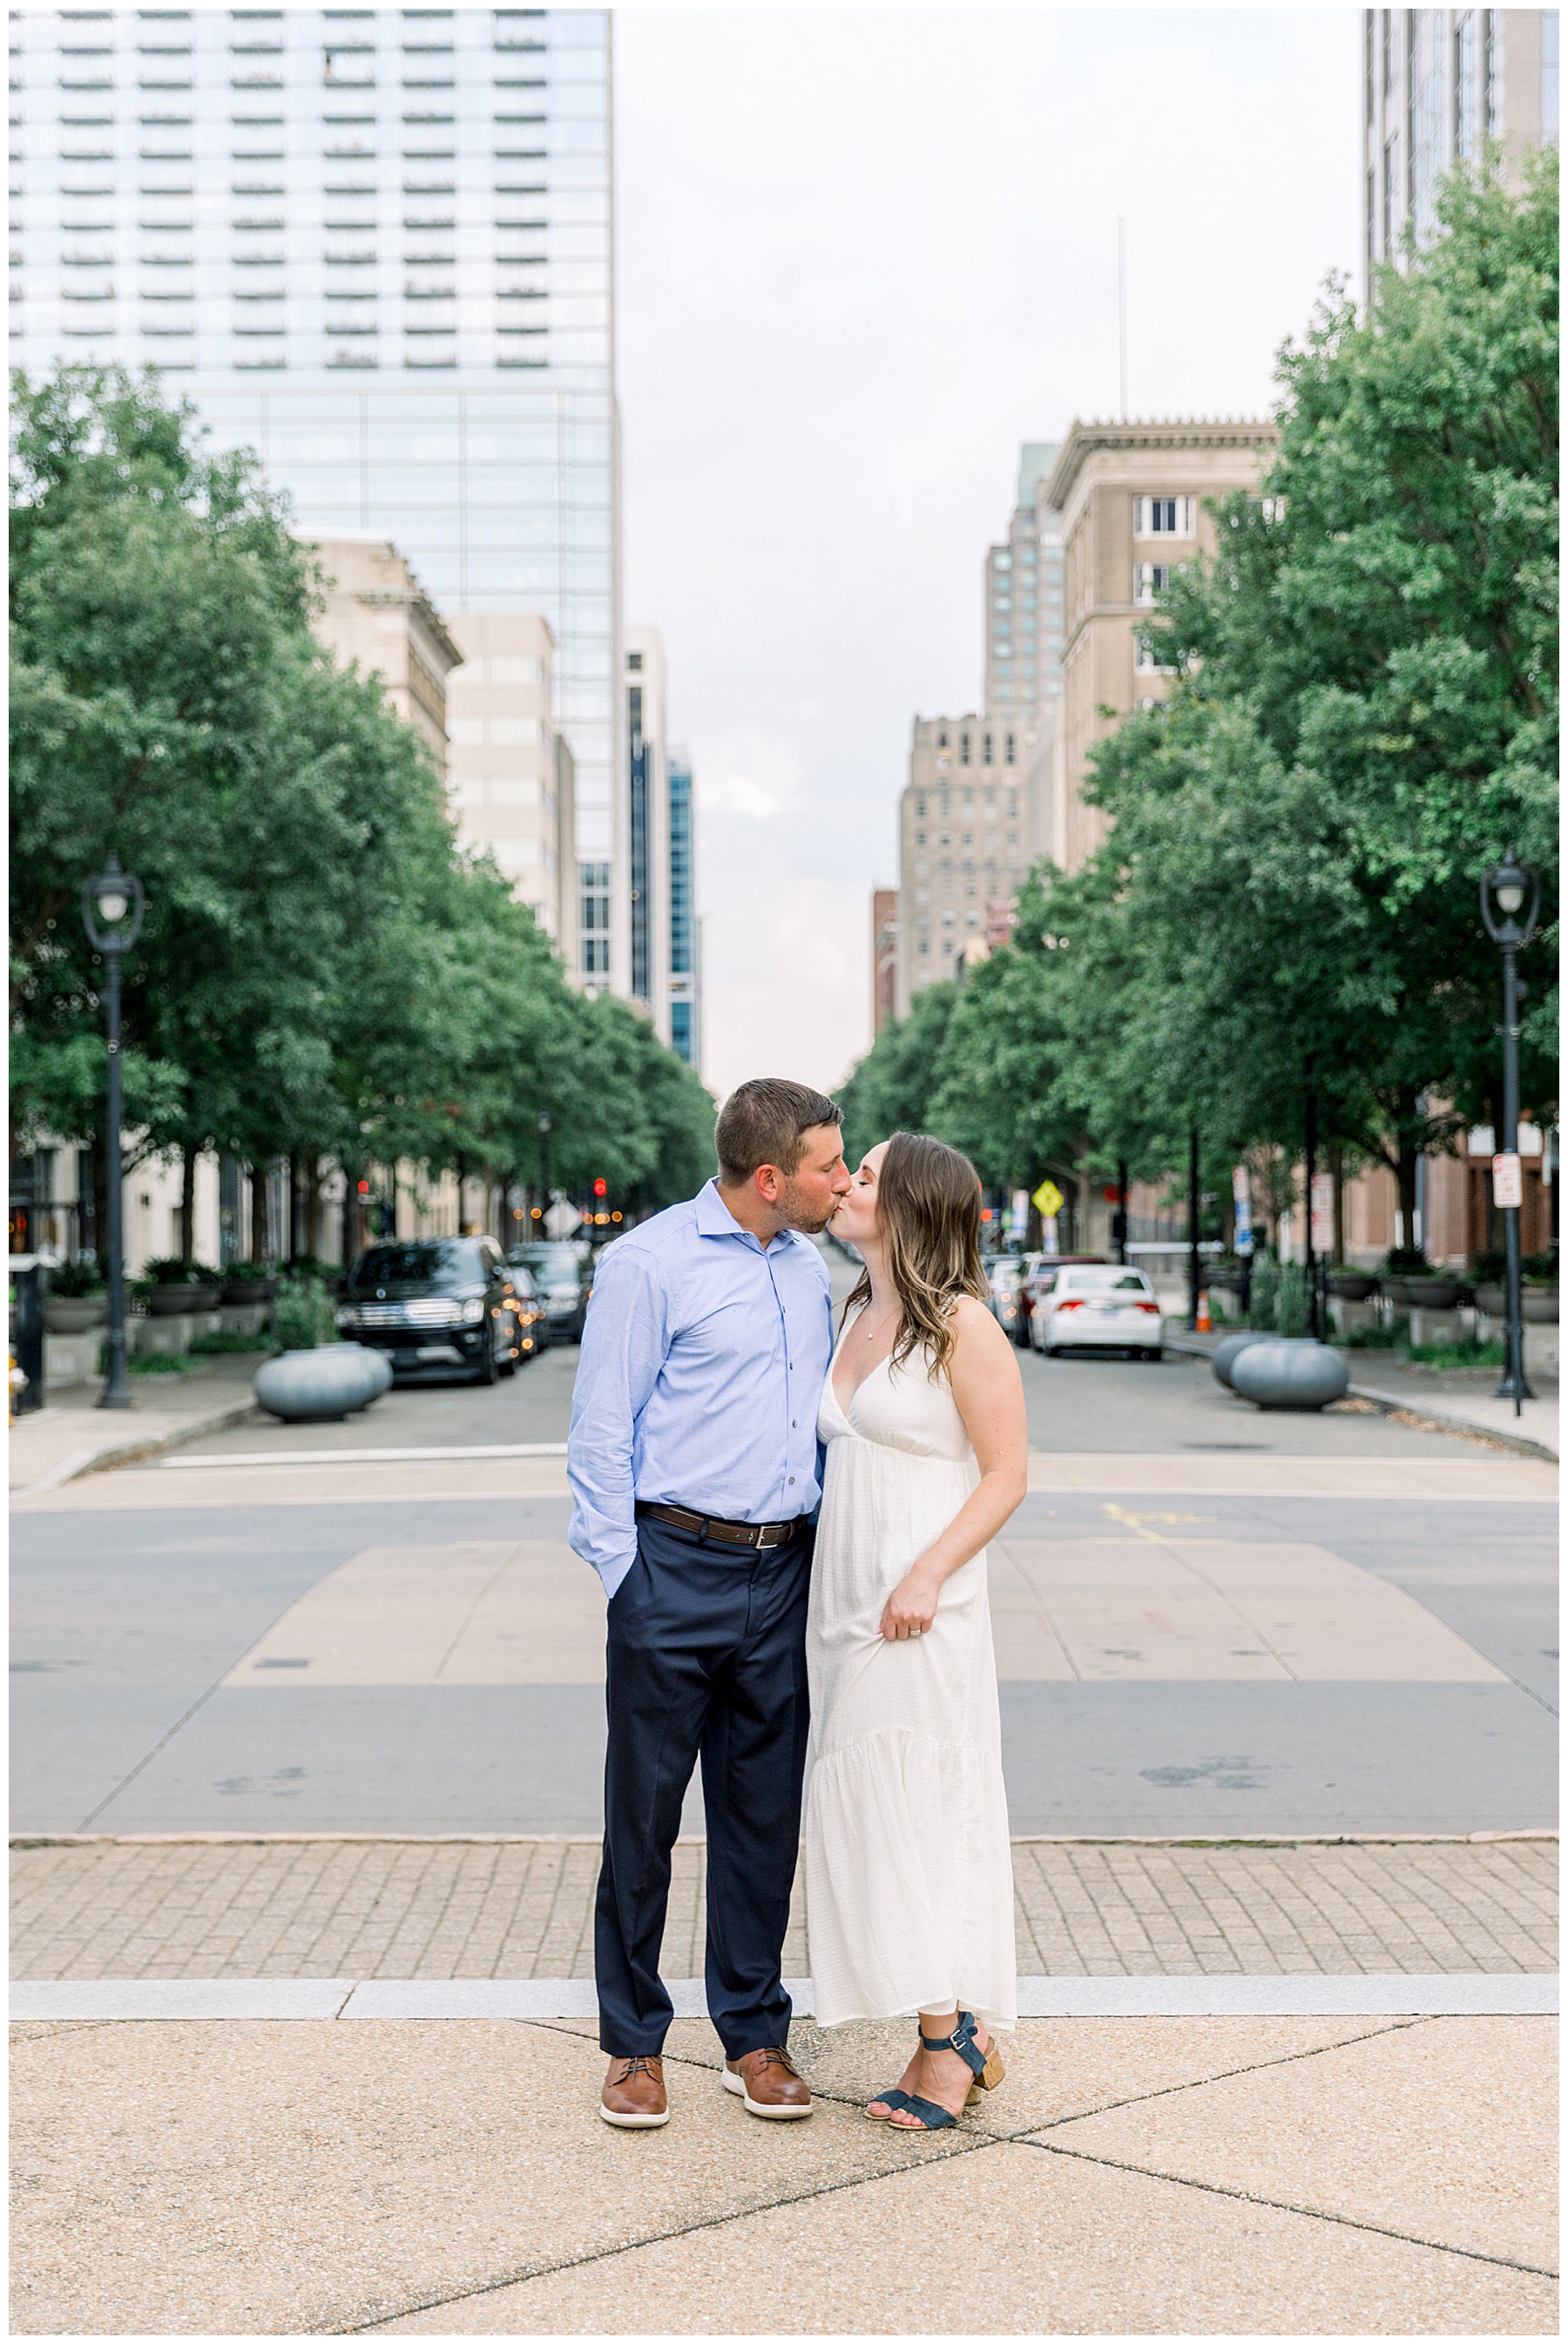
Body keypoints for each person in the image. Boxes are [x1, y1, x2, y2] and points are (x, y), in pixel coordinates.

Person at [568, 1077, 852, 2130]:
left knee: (761, 1821)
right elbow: (601, 1429)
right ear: (771, 1176)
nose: (843, 1175)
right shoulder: (647, 1263)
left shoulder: (810, 1265)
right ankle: (634, 2044)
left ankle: (753, 2034)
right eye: (829, 1162)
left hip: (781, 1575)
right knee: (641, 1819)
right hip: (670, 1570)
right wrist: (624, 1577)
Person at [807, 1130, 1027, 2130]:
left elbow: (1008, 1474)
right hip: (842, 1606)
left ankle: (946, 2043)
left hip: (921, 1610)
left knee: (915, 1812)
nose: (847, 1183)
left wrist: (930, 1572)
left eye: (864, 1174)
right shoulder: (853, 1309)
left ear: (908, 1203)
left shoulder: (965, 1325)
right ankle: (950, 2023)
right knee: (865, 1814)